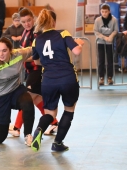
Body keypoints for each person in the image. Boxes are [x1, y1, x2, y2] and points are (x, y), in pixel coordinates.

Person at [31, 9, 84, 152]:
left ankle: (39, 130)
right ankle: (58, 143)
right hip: (67, 78)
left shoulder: (37, 40)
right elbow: (76, 51)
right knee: (69, 109)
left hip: (48, 80)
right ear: (53, 22)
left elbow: (36, 62)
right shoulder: (63, 33)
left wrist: (49, 62)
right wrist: (79, 43)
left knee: (49, 113)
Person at [8, 8, 58, 138]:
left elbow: (37, 54)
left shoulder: (37, 33)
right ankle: (54, 122)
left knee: (27, 98)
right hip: (29, 70)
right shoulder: (24, 32)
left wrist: (20, 58)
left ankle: (17, 127)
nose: (27, 23)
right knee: (36, 99)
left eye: (29, 20)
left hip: (38, 70)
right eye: (23, 21)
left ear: (33, 18)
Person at [94, 3, 118, 86]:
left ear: (109, 11)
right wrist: (104, 37)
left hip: (110, 42)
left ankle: (110, 77)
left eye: (106, 12)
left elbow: (115, 30)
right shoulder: (97, 20)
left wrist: (111, 37)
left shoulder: (114, 20)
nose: (104, 13)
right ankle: (101, 77)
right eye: (102, 11)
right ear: (100, 11)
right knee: (101, 60)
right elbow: (96, 31)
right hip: (100, 41)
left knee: (110, 60)